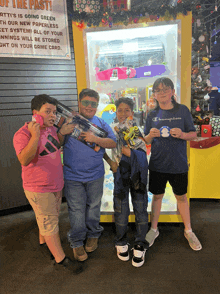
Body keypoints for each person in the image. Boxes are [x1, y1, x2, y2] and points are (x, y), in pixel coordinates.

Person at [13, 94, 83, 274]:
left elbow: (53, 145)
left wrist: (61, 133)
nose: (53, 115)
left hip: (55, 184)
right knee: (49, 222)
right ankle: (60, 259)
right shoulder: (23, 134)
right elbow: (24, 159)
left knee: (46, 218)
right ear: (35, 113)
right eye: (48, 111)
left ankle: (44, 242)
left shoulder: (51, 129)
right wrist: (35, 134)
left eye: (54, 112)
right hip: (39, 187)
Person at [58, 88, 117, 262]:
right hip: (72, 176)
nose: (90, 107)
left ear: (97, 105)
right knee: (76, 210)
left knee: (93, 208)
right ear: (79, 103)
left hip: (96, 175)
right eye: (86, 103)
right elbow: (56, 142)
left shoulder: (101, 123)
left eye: (93, 104)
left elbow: (112, 142)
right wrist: (62, 132)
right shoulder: (69, 121)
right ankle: (76, 241)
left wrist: (95, 139)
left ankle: (93, 234)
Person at [144, 77, 202, 251]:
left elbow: (193, 134)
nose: (162, 93)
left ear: (172, 91)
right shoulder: (151, 115)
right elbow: (145, 140)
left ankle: (188, 230)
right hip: (157, 164)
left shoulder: (182, 110)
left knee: (182, 197)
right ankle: (154, 229)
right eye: (158, 90)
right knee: (157, 196)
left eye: (165, 89)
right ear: (154, 94)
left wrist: (183, 135)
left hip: (178, 164)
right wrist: (151, 136)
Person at [104, 97, 149, 267]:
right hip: (119, 174)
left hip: (138, 174)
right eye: (120, 110)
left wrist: (130, 153)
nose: (123, 113)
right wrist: (111, 163)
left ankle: (140, 242)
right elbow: (101, 146)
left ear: (132, 111)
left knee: (140, 207)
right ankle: (121, 240)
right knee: (121, 208)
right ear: (115, 112)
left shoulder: (137, 130)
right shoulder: (111, 130)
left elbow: (144, 153)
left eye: (127, 110)